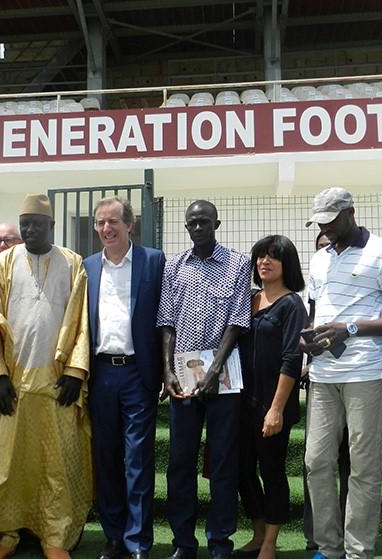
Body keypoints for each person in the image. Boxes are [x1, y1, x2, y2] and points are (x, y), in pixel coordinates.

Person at [0, 194, 91, 559]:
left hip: (56, 382)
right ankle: (4, 535)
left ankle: (54, 536)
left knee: (55, 467)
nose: (30, 229)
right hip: (14, 383)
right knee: (4, 466)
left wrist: (77, 371)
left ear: (52, 227)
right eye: (24, 223)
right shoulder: (3, 263)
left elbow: (80, 321)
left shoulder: (73, 263)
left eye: (37, 224)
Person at [301, 187, 382, 559]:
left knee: (363, 465)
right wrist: (308, 342)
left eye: (331, 221)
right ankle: (329, 547)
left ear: (351, 212)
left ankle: (357, 551)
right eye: (320, 223)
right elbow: (314, 313)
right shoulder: (319, 258)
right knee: (316, 461)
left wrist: (349, 329)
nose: (326, 229)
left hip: (366, 371)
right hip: (322, 373)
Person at [157, 200, 251, 559]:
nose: (198, 228)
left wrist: (214, 371)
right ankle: (184, 542)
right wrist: (166, 370)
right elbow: (166, 320)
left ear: (217, 223)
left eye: (204, 222)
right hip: (182, 375)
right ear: (186, 226)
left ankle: (219, 541)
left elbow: (238, 321)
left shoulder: (238, 264)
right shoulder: (174, 267)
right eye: (192, 223)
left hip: (224, 377)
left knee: (224, 461)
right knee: (180, 461)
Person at [84, 196, 165, 559]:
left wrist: (166, 370)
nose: (106, 229)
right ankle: (114, 536)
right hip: (100, 373)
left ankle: (138, 542)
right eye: (100, 223)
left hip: (138, 374)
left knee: (138, 460)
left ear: (130, 225)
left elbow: (167, 319)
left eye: (114, 221)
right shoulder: (86, 267)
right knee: (106, 458)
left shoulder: (154, 261)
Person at [235, 235, 307, 559]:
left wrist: (275, 409)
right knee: (241, 469)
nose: (264, 262)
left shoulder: (292, 304)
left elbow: (292, 359)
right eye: (260, 257)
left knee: (272, 470)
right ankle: (257, 532)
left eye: (272, 257)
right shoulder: (248, 299)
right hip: (241, 402)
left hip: (272, 405)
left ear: (286, 264)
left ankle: (270, 545)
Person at [300, 232, 349, 553]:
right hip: (321, 380)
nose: (327, 251)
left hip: (359, 381)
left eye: (331, 245)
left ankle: (348, 536)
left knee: (351, 465)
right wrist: (307, 358)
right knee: (316, 462)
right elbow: (309, 331)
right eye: (321, 247)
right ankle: (317, 536)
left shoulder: (361, 289)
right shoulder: (316, 290)